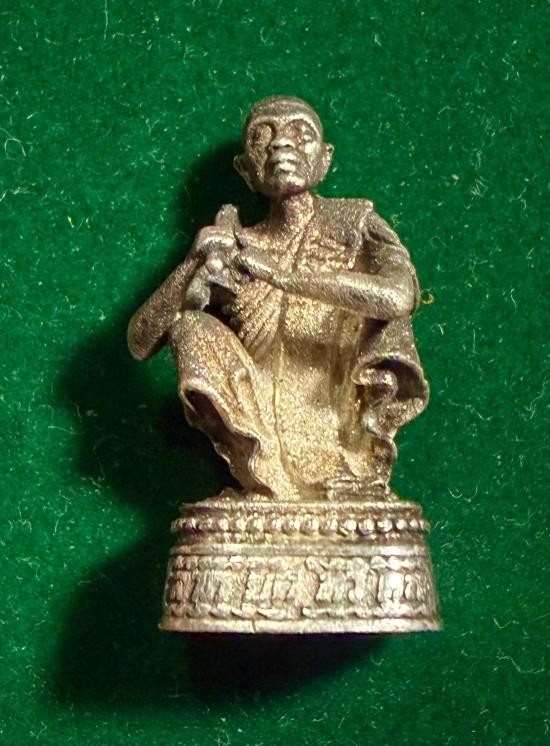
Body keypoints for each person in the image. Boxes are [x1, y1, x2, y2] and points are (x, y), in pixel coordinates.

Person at [128, 96, 428, 501]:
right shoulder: (234, 247)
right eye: (262, 136)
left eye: (300, 133)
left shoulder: (353, 225)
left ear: (324, 159)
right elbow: (140, 342)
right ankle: (265, 475)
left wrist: (282, 277)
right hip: (257, 420)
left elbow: (399, 296)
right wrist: (191, 264)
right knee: (190, 326)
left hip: (336, 416)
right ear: (245, 169)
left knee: (385, 313)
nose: (281, 143)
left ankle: (346, 464)